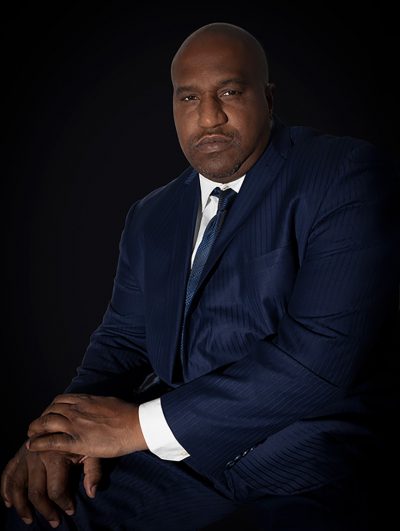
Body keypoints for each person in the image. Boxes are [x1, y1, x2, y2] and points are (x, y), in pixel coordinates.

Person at [1, 22, 399, 531]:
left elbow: (316, 362)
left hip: (311, 461)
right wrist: (58, 435)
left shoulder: (344, 175)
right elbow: (123, 341)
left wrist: (133, 428)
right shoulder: (152, 215)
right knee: (32, 516)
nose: (208, 116)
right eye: (188, 98)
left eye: (229, 92)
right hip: (178, 463)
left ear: (269, 98)